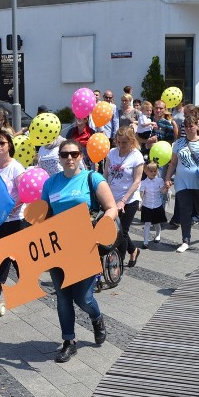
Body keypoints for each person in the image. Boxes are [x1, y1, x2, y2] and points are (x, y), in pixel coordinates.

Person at [41, 139, 118, 363]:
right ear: (59, 159)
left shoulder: (91, 178)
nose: (69, 158)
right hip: (59, 249)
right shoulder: (51, 183)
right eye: (64, 155)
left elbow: (111, 208)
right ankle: (68, 341)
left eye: (74, 154)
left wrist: (102, 224)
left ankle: (96, 318)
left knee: (83, 298)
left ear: (81, 155)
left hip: (86, 246)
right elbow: (44, 214)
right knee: (63, 298)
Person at [164, 115, 199, 253]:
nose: (189, 128)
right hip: (182, 182)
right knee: (185, 210)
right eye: (186, 126)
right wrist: (167, 178)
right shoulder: (178, 143)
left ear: (197, 126)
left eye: (192, 125)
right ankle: (185, 240)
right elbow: (173, 163)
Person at [0, 128, 27, 295]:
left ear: (9, 145)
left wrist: (12, 208)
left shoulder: (15, 167)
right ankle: (26, 280)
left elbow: (23, 192)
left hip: (15, 217)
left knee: (7, 251)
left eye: (2, 143)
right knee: (14, 254)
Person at [105, 126, 145, 266]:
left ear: (131, 141)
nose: (121, 146)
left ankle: (118, 264)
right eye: (119, 142)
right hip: (111, 198)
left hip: (129, 199)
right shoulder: (111, 153)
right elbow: (106, 175)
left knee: (122, 231)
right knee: (115, 230)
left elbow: (137, 181)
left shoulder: (136, 156)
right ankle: (133, 250)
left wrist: (123, 201)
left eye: (124, 143)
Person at [138, 161, 167, 247]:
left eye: (155, 171)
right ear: (146, 172)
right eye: (151, 171)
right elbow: (141, 194)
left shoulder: (159, 180)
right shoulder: (143, 182)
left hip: (157, 205)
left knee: (157, 223)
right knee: (147, 223)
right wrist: (140, 202)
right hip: (147, 205)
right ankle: (145, 241)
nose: (153, 173)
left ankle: (158, 235)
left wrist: (167, 187)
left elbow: (163, 191)